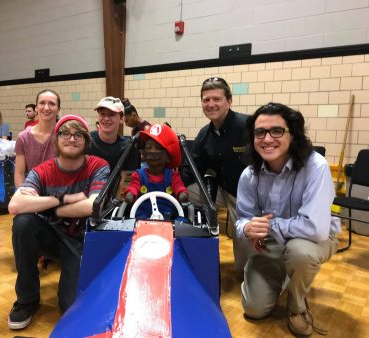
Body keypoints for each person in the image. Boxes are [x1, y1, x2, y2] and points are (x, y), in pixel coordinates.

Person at [235, 102, 340, 337]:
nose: (267, 138)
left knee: (300, 252)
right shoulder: (249, 174)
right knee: (254, 309)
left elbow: (314, 228)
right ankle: (282, 276)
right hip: (272, 243)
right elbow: (242, 219)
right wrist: (250, 228)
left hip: (314, 238)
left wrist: (267, 226)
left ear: (293, 135)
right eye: (260, 132)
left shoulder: (316, 167)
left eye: (277, 131)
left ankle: (297, 307)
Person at [7, 114, 110, 330]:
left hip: (81, 244)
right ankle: (27, 300)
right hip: (51, 238)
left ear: (86, 141)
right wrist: (62, 200)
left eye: (78, 135)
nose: (71, 139)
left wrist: (49, 209)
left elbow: (92, 206)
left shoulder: (98, 165)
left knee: (70, 307)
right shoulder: (41, 171)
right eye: (65, 133)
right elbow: (15, 205)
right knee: (23, 222)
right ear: (56, 140)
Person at [180, 77, 249, 274]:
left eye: (217, 99)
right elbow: (192, 169)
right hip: (221, 190)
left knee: (242, 239)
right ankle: (195, 252)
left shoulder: (247, 127)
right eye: (206, 99)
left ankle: (248, 273)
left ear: (229, 101)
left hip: (246, 197)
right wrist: (174, 188)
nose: (211, 104)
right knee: (186, 193)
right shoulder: (204, 135)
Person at [124, 124, 188, 219]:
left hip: (169, 218)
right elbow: (134, 186)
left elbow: (178, 186)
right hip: (142, 217)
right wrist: (130, 193)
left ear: (168, 157)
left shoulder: (172, 176)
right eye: (148, 148)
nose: (153, 152)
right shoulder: (139, 175)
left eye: (158, 148)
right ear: (144, 154)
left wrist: (181, 193)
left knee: (182, 222)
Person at [90, 96, 140, 198]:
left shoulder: (129, 147)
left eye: (112, 114)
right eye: (102, 114)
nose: (106, 118)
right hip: (87, 198)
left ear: (122, 119)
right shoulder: (86, 141)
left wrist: (116, 208)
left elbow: (127, 182)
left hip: (114, 202)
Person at [14, 90, 59, 187]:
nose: (46, 108)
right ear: (36, 108)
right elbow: (19, 173)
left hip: (61, 191)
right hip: (33, 191)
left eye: (52, 104)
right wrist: (23, 194)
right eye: (42, 103)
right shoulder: (23, 138)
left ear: (58, 109)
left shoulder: (65, 135)